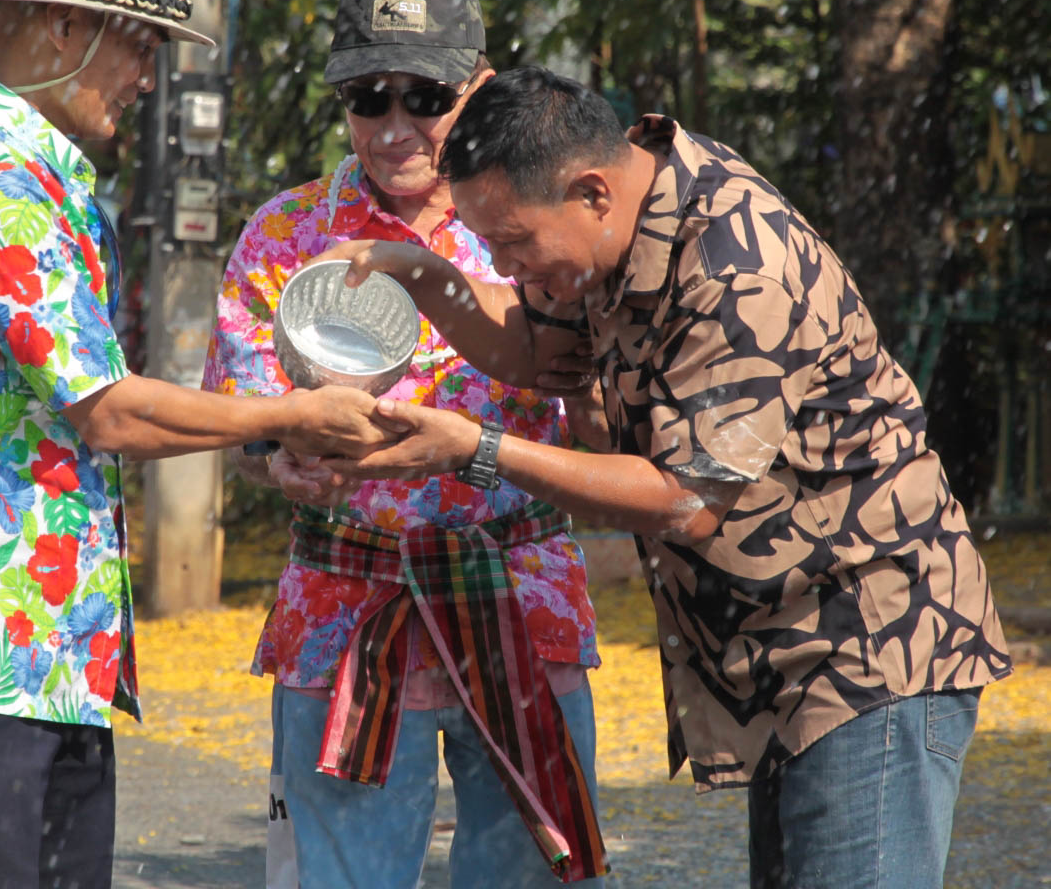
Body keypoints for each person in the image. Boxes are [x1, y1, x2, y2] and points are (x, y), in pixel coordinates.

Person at [322, 66, 1014, 889]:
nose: (508, 268)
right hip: (784, 656)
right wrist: (414, 271)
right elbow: (536, 350)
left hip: (867, 646)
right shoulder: (621, 213)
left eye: (512, 243)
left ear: (591, 192)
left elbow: (687, 499)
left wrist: (478, 449)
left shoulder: (735, 267)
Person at [0, 0, 396, 889]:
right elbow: (110, 411)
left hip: (33, 656)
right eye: (139, 46)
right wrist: (292, 415)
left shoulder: (33, 170)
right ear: (60, 26)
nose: (147, 79)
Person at [202, 0, 607, 888]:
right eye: (366, 98)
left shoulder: (538, 223)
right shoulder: (284, 234)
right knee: (341, 878)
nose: (392, 128)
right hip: (346, 601)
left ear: (480, 88)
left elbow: (600, 416)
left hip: (520, 592)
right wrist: (276, 459)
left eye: (424, 97)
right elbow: (245, 422)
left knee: (530, 873)